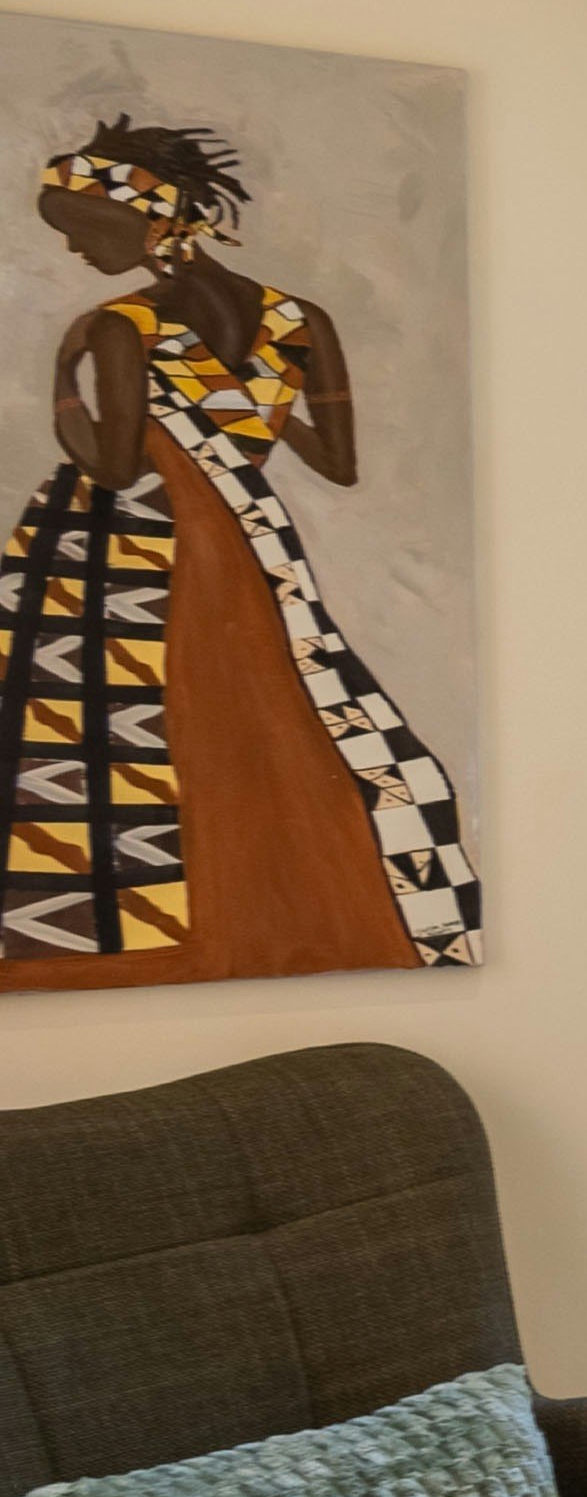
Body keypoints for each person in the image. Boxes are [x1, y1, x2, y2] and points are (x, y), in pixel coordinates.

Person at [2, 113, 479, 982]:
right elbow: (335, 462)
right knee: (274, 707)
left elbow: (114, 468)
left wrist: (66, 385)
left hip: (128, 548)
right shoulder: (301, 320)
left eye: (84, 231)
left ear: (150, 222)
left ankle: (128, 926)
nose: (74, 251)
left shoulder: (121, 325)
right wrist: (239, 406)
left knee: (93, 731)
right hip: (248, 537)